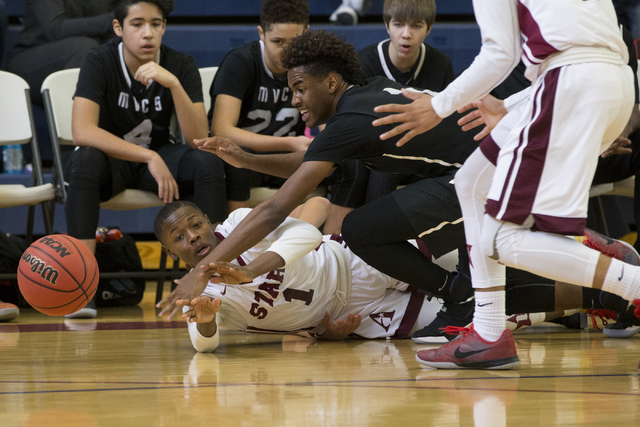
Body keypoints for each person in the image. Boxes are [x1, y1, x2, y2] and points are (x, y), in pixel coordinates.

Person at [156, 30, 479, 338]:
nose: (295, 100)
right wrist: (248, 160)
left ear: (331, 82)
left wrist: (199, 273)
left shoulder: (347, 123)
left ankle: (458, 295)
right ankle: (469, 287)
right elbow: (311, 164)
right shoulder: (365, 95)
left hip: (482, 171)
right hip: (479, 164)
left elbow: (275, 210)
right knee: (371, 226)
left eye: (300, 88)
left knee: (362, 229)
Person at [372, 0, 638, 369]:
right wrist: (515, 105)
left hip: (572, 84)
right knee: (470, 183)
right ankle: (490, 330)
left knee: (500, 239)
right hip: (609, 82)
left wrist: (438, 106)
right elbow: (582, 42)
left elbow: (500, 53)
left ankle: (633, 285)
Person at [65, 0, 226, 319]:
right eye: (137, 24)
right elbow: (82, 131)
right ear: (118, 28)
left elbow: (198, 138)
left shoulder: (179, 64)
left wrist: (173, 84)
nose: (147, 33)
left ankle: (214, 280)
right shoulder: (98, 60)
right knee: (84, 160)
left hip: (160, 161)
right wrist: (149, 155)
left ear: (164, 27)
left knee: (207, 163)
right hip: (114, 161)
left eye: (156, 23)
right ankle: (81, 290)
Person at [156, 200, 442, 352]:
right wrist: (205, 322)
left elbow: (308, 232)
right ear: (169, 252)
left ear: (208, 220)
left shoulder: (239, 223)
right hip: (356, 312)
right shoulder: (198, 295)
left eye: (196, 225)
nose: (193, 237)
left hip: (354, 260)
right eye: (179, 237)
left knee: (472, 267)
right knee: (464, 319)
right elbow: (205, 344)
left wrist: (252, 271)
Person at [209, 0, 311, 214]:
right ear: (261, 34)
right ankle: (234, 239)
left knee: (344, 160)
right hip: (249, 159)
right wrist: (290, 142)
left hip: (287, 160)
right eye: (278, 41)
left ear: (307, 34)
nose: (288, 51)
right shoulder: (240, 62)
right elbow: (222, 130)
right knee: (234, 155)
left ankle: (335, 243)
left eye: (295, 42)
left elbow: (330, 122)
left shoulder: (313, 66)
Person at [353, 0, 455, 206]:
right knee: (384, 160)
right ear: (386, 24)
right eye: (399, 24)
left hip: (424, 154)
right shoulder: (364, 63)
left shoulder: (440, 63)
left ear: (429, 28)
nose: (406, 34)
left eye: (416, 26)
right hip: (373, 154)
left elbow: (449, 122)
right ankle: (369, 229)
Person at [7, 0, 115, 106]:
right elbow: (56, 29)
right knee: (85, 48)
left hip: (88, 53)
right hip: (33, 59)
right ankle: (78, 119)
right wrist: (116, 19)